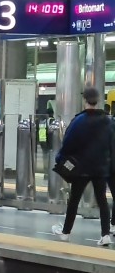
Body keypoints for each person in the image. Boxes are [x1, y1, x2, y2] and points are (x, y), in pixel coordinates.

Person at [52, 87, 112, 246]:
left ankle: (66, 232)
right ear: (98, 100)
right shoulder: (108, 120)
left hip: (81, 168)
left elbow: (68, 143)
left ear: (84, 100)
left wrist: (60, 158)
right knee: (102, 201)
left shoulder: (79, 120)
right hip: (100, 168)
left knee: (74, 201)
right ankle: (105, 234)